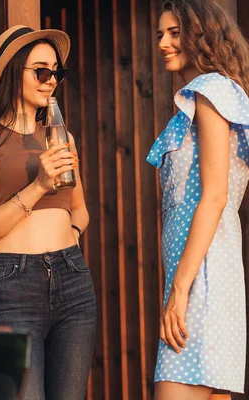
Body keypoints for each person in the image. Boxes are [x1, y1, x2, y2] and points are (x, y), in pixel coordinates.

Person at [0, 25, 96, 400]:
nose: (51, 80)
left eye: (56, 72)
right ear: (12, 72)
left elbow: (81, 209)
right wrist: (38, 185)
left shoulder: (61, 136)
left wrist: (72, 236)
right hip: (15, 281)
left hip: (73, 276)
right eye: (41, 71)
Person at [147, 0, 249, 398]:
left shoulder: (210, 91)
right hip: (206, 276)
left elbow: (215, 197)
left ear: (199, 35)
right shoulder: (210, 96)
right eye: (160, 34)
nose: (163, 43)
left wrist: (180, 289)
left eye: (174, 33)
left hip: (201, 281)